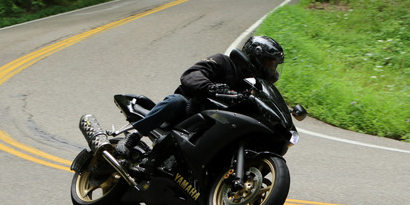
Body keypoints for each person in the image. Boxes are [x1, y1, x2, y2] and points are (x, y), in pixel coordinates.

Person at [117, 36, 285, 162]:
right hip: (189, 112)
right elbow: (191, 75)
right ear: (256, 57)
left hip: (218, 125)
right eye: (270, 63)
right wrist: (210, 87)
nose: (272, 69)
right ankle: (134, 136)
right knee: (176, 101)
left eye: (275, 65)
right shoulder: (223, 62)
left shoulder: (254, 87)